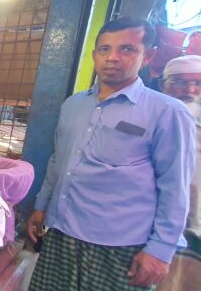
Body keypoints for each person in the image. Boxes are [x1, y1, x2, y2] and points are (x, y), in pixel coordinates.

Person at [26, 17, 196, 291]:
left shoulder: (168, 113)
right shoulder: (73, 106)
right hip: (61, 233)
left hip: (120, 247)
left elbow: (175, 188)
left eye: (127, 49)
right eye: (105, 49)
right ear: (94, 55)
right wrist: (41, 207)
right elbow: (58, 162)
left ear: (148, 56)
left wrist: (160, 250)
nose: (113, 58)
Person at [157, 55, 201, 291]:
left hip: (195, 226)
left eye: (198, 83)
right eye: (179, 82)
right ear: (164, 84)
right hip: (151, 226)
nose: (190, 90)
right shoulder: (152, 118)